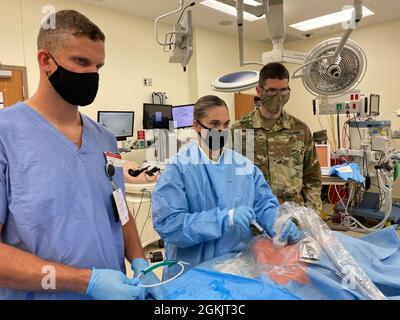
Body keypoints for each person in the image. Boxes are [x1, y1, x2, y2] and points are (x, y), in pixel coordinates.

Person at [0, 10, 162, 300]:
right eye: (81, 61)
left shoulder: (104, 138)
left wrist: (139, 261)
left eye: (98, 65)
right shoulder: (6, 136)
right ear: (46, 60)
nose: (92, 74)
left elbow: (120, 211)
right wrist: (85, 281)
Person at [152, 95, 300, 279]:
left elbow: (263, 205)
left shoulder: (242, 165)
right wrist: (224, 218)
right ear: (197, 125)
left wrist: (277, 222)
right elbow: (169, 225)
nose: (221, 130)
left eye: (225, 124)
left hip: (237, 265)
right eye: (214, 124)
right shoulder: (179, 168)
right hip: (192, 272)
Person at [231, 63, 322, 212]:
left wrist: (312, 214)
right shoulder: (239, 130)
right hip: (254, 216)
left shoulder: (300, 130)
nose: (278, 96)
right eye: (272, 91)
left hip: (294, 215)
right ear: (259, 91)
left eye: (283, 90)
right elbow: (230, 178)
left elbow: (312, 178)